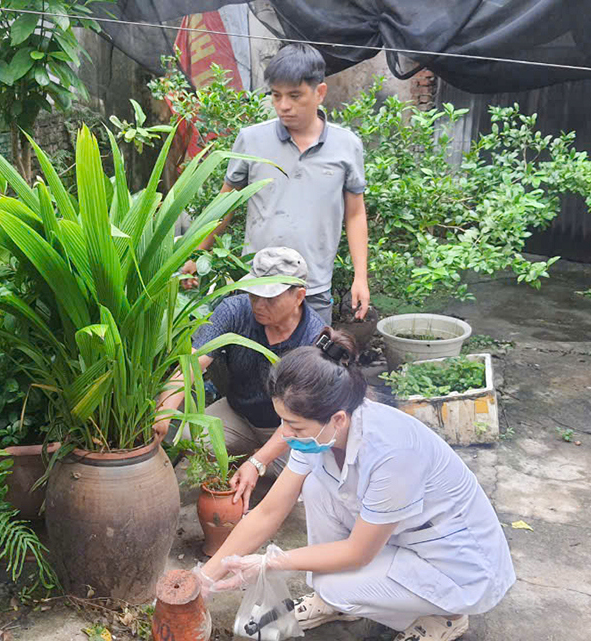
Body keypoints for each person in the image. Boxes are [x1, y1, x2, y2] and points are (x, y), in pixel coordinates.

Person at [195, 328, 515, 641]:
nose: (285, 435)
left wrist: (272, 563)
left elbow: (358, 552)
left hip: (455, 563)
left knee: (333, 584)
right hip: (402, 536)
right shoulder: (320, 433)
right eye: (282, 421)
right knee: (317, 486)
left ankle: (448, 616)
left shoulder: (393, 453)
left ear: (337, 419)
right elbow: (268, 512)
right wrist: (204, 580)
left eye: (293, 425)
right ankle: (337, 604)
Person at [181, 43, 370, 326]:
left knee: (311, 368)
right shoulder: (251, 140)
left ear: (319, 93)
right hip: (256, 286)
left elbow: (355, 213)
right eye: (276, 95)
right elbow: (226, 202)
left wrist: (360, 277)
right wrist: (198, 254)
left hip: (313, 290)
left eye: (295, 96)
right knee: (251, 366)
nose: (283, 106)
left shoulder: (346, 146)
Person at [155, 247, 325, 507]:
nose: (258, 304)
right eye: (254, 293)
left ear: (299, 296)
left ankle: (258, 457)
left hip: (289, 427)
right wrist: (164, 410)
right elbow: (192, 362)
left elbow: (301, 417)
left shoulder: (314, 338)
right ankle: (244, 454)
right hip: (239, 413)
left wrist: (257, 462)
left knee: (306, 485)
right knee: (190, 437)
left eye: (270, 298)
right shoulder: (235, 310)